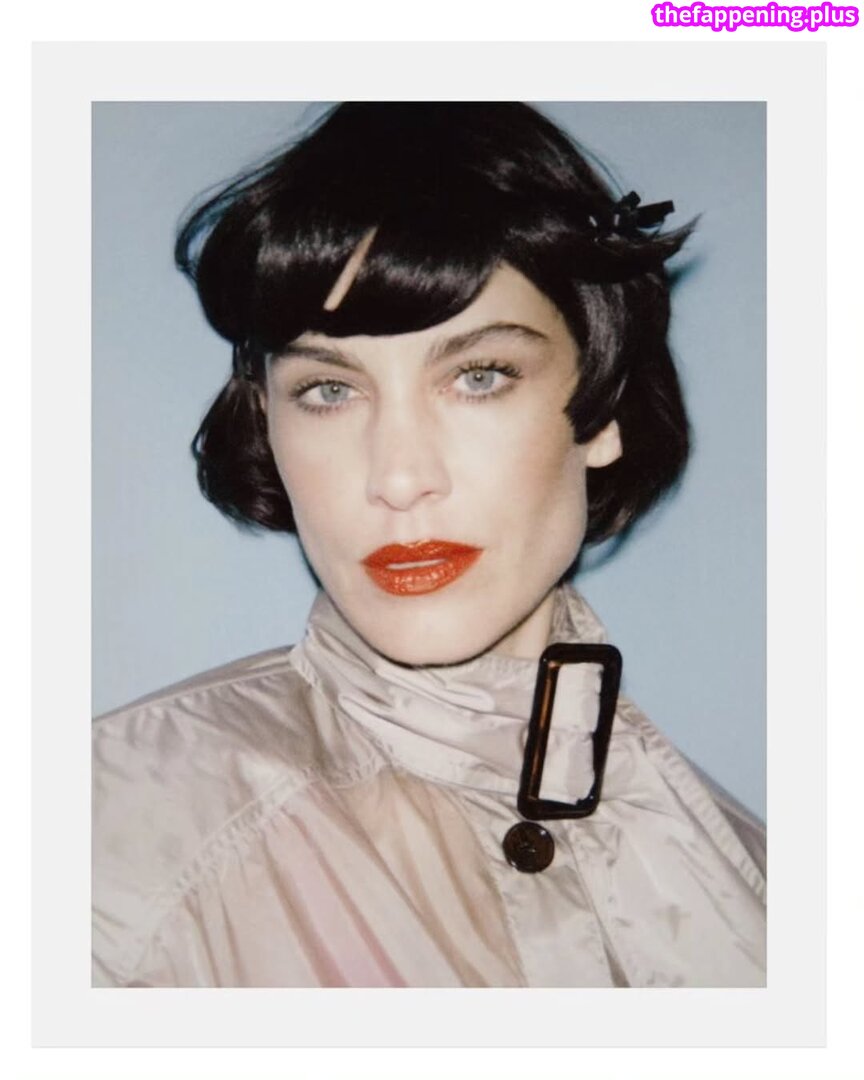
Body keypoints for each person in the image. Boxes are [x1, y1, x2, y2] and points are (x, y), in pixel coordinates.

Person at [91, 102, 766, 988]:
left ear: (604, 408)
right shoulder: (99, 846)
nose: (400, 477)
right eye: (329, 390)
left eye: (478, 376)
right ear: (267, 422)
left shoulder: (757, 890)